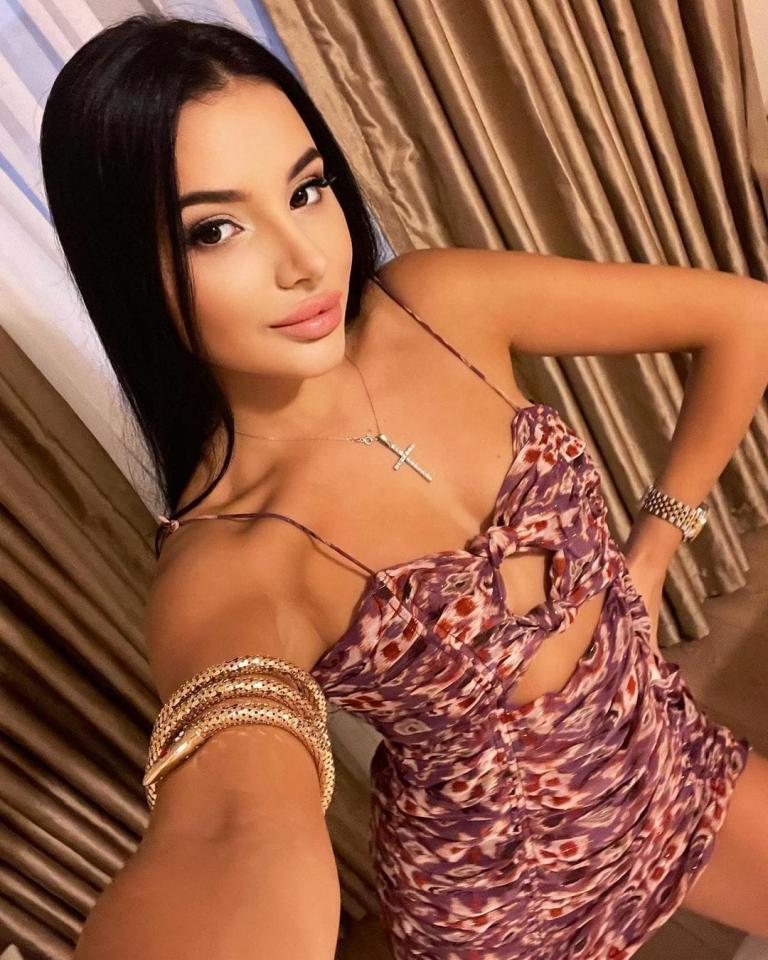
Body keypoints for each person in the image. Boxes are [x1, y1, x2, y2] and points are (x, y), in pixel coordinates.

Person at [38, 13, 768, 960]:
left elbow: (745, 320)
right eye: (215, 229)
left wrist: (657, 547)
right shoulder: (227, 563)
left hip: (659, 747)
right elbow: (229, 821)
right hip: (497, 895)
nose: (306, 260)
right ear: (130, 270)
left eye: (306, 190)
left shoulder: (439, 305)